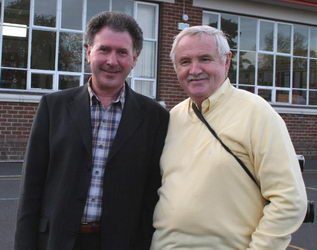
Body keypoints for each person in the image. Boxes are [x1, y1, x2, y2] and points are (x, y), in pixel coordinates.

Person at [14, 11, 169, 250]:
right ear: (88, 52)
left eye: (122, 52)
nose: (112, 61)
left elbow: (152, 195)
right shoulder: (52, 107)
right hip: (56, 241)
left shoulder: (154, 117)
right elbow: (31, 188)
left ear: (135, 58)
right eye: (104, 49)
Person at [150, 25, 307, 250]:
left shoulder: (256, 113)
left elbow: (290, 200)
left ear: (227, 61)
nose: (194, 70)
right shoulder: (173, 117)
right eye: (185, 62)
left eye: (205, 59)